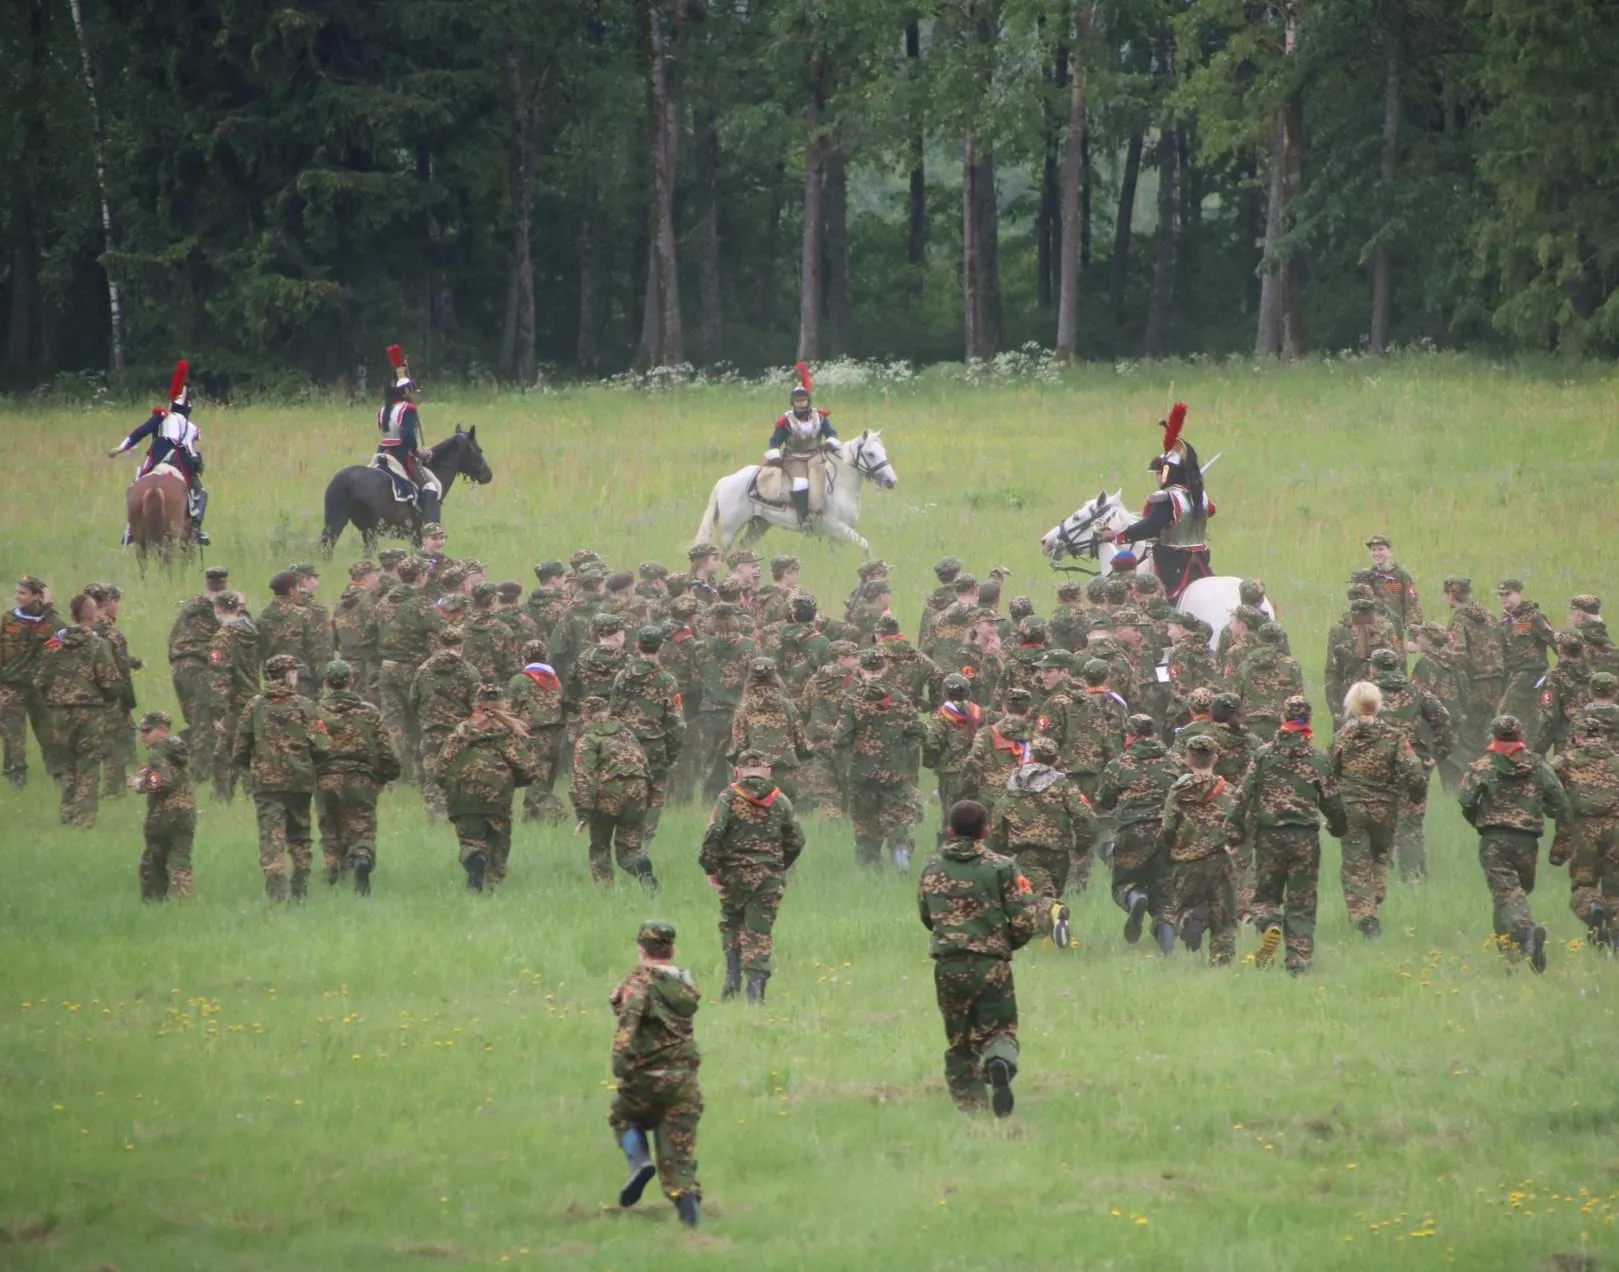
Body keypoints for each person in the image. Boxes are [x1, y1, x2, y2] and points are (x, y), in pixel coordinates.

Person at [918, 799, 1039, 1117]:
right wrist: (1005, 944)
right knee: (1000, 1029)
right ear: (985, 830)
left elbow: (927, 915)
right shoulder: (1001, 867)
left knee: (960, 1042)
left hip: (949, 965)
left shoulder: (932, 868)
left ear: (949, 830)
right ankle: (999, 1062)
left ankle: (972, 1111)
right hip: (991, 964)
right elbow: (1024, 921)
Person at [1226, 696, 1347, 973]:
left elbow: (1243, 795)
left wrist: (1233, 829)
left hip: (1269, 837)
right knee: (1302, 901)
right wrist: (1338, 827)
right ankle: (1298, 961)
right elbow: (1333, 802)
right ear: (1310, 721)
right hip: (1304, 838)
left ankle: (1270, 924)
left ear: (1283, 719)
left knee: (1266, 896)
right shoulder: (1317, 758)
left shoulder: (1264, 755)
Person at [608, 920, 703, 1227]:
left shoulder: (638, 982)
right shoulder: (683, 984)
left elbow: (630, 1022)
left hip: (646, 1077)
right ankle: (692, 1224)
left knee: (622, 1118)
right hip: (684, 1081)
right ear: (672, 949)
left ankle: (639, 1163)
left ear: (640, 949)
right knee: (679, 1157)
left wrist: (621, 1064)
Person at [1458, 715, 1568, 973]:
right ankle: (1509, 954)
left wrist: (1479, 821)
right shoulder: (1537, 765)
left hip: (1494, 839)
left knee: (1507, 894)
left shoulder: (1484, 765)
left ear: (1494, 736)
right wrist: (1546, 811)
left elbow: (1465, 800)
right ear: (1521, 735)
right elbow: (1559, 801)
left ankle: (1527, 936)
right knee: (1513, 894)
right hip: (1527, 841)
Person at [699, 749, 806, 1003]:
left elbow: (714, 833)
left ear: (738, 771)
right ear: (767, 770)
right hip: (769, 877)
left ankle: (732, 979)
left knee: (732, 922)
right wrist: (780, 865)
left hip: (733, 875)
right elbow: (797, 840)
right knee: (759, 931)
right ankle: (756, 993)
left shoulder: (727, 797)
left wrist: (711, 868)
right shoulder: (781, 800)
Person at [1329, 681, 1426, 940]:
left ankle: (1365, 916)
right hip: (1385, 809)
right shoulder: (1394, 737)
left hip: (1352, 809)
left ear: (1350, 705)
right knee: (1380, 855)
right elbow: (1415, 773)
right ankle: (1376, 893)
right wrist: (1415, 797)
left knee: (1355, 865)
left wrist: (1332, 807)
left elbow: (1328, 773)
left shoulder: (1342, 737)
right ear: (1378, 704)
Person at [986, 734, 1097, 949]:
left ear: (1031, 756)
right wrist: (1082, 846)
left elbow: (999, 816)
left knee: (1038, 898)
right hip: (1059, 851)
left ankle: (1054, 922)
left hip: (1026, 851)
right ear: (1055, 758)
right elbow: (1085, 817)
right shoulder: (1063, 784)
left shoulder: (1014, 783)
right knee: (1048, 894)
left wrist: (997, 848)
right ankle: (1054, 939)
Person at [430, 684, 537, 892]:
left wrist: (451, 787)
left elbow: (440, 768)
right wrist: (513, 782)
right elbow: (528, 769)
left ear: (477, 704)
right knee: (499, 843)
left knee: (470, 840)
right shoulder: (507, 734)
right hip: (497, 797)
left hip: (463, 796)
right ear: (503, 703)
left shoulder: (461, 731)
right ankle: (492, 888)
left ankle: (475, 859)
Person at [233, 654, 320, 901]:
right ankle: (300, 890)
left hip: (266, 784)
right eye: (294, 671)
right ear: (288, 675)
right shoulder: (305, 705)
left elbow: (239, 748)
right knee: (300, 836)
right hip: (299, 783)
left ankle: (276, 894)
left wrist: (250, 774)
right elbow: (323, 744)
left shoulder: (254, 706)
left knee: (272, 837)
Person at [1109, 402, 1215, 602]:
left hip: (1171, 560)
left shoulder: (1167, 498)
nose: (1159, 477)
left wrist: (1119, 536)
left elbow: (1151, 527)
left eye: (1161, 472)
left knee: (1147, 598)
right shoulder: (1200, 496)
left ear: (1169, 472)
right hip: (1199, 558)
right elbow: (1211, 510)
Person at [1096, 714, 1184, 949]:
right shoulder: (1175, 760)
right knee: (1166, 896)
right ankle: (1168, 953)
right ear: (1152, 733)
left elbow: (1105, 800)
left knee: (1123, 883)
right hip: (1168, 833)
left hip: (1132, 832)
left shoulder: (1120, 764)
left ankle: (1136, 897)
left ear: (1130, 735)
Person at [835, 648, 926, 871]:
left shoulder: (852, 701)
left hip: (862, 774)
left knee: (866, 828)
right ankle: (900, 856)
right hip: (894, 774)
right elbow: (918, 732)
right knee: (898, 820)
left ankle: (871, 871)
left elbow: (840, 739)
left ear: (860, 670)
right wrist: (902, 754)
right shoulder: (899, 699)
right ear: (884, 668)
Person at [313, 659, 400, 894]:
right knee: (362, 829)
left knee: (330, 829)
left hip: (325, 779)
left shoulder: (314, 713)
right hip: (360, 779)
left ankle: (332, 870)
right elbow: (385, 751)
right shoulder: (368, 712)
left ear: (327, 683)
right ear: (351, 680)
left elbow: (306, 748)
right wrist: (385, 776)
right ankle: (361, 858)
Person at [1369, 645, 1452, 883]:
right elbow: (1442, 718)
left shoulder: (1365, 692)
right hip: (1413, 762)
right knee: (1412, 823)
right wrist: (1438, 753)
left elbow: (1349, 725)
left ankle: (1378, 877)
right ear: (1397, 666)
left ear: (1373, 668)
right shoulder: (1416, 692)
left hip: (1376, 764)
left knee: (1375, 820)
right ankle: (1413, 876)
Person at [1157, 734, 1241, 963]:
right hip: (1220, 860)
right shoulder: (1228, 790)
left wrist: (1167, 853)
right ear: (1215, 758)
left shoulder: (1178, 790)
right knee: (1224, 919)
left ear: (1188, 760)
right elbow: (1239, 826)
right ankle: (1221, 963)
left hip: (1187, 862)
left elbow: (1167, 828)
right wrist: (1233, 843)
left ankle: (1191, 918)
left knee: (1184, 906)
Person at [108, 358, 209, 544]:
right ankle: (196, 529)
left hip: (159, 455)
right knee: (199, 491)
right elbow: (192, 450)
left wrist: (121, 448)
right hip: (182, 460)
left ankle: (130, 530)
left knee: (136, 483)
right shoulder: (192, 427)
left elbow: (140, 432)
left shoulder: (162, 416)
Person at [39, 593, 119, 828]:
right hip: (91, 713)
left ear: (72, 615)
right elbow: (111, 682)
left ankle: (67, 812)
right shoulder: (97, 645)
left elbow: (40, 681)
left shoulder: (54, 644)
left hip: (60, 714)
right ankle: (84, 820)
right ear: (93, 616)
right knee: (89, 765)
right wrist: (106, 699)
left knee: (68, 765)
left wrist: (55, 700)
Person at [570, 696, 658, 889]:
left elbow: (584, 777)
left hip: (608, 795)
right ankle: (641, 869)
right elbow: (644, 765)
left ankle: (605, 890)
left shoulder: (588, 739)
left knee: (600, 845)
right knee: (628, 850)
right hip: (638, 792)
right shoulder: (627, 734)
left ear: (586, 715)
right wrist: (649, 798)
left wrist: (583, 811)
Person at [609, 626, 687, 839]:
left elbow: (613, 712)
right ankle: (644, 844)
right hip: (654, 745)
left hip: (624, 744)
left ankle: (624, 839)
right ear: (660, 647)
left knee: (625, 790)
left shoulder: (622, 676)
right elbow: (675, 722)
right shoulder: (667, 680)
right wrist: (672, 754)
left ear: (637, 646)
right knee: (654, 795)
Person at [1549, 719, 1619, 948]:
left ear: (1577, 737)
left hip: (1583, 830)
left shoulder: (1565, 761)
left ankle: (1592, 909)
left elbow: (1545, 784)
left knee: (1583, 883)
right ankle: (1615, 941)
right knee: (1615, 890)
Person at [410, 625, 482, 819]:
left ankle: (436, 818)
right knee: (460, 775)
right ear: (461, 645)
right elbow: (478, 706)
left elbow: (413, 700)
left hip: (432, 731)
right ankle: (461, 814)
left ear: (439, 643)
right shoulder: (469, 670)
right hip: (459, 733)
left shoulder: (423, 669)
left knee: (433, 776)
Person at [166, 565, 229, 772]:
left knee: (193, 718)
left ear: (206, 583)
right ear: (225, 583)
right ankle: (201, 772)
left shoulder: (190, 605)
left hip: (179, 666)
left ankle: (180, 760)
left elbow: (172, 637)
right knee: (203, 722)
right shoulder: (222, 607)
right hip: (200, 666)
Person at [1, 575, 60, 787]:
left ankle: (58, 774)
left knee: (49, 733)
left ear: (38, 596)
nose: (18, 596)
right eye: (18, 592)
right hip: (10, 686)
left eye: (23, 593)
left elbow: (62, 636)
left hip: (39, 688)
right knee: (13, 736)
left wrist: (48, 608)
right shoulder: (8, 619)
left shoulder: (50, 621)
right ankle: (16, 777)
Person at [131, 711, 196, 902]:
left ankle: (153, 904)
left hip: (164, 815)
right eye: (141, 731)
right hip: (187, 813)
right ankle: (182, 903)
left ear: (162, 730)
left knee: (152, 862)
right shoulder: (178, 750)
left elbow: (162, 781)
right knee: (180, 860)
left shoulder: (159, 749)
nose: (142, 735)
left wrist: (139, 783)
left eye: (147, 731)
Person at [764, 363, 839, 525]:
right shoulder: (786, 421)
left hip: (816, 456)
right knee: (801, 482)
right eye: (797, 401)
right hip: (794, 458)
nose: (801, 404)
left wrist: (831, 442)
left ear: (808, 401)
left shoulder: (819, 417)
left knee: (827, 477)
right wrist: (774, 454)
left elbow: (831, 433)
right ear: (793, 403)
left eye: (803, 400)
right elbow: (774, 441)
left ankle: (829, 510)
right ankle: (803, 518)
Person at [728, 658, 810, 801]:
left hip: (755, 772)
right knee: (784, 817)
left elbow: (739, 745)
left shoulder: (744, 708)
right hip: (785, 770)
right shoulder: (788, 705)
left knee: (757, 817)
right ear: (774, 676)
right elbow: (800, 740)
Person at [206, 591, 260, 801]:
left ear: (217, 610)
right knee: (249, 747)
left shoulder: (222, 638)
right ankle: (248, 794)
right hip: (252, 697)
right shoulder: (252, 631)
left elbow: (220, 676)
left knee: (224, 753)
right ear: (238, 608)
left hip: (234, 703)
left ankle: (223, 797)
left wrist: (218, 711)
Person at [373, 344, 440, 509]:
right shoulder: (408, 409)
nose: (414, 394)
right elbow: (409, 437)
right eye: (411, 390)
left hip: (381, 452)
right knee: (430, 488)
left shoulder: (383, 410)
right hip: (401, 455)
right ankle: (432, 528)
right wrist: (418, 453)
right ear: (405, 392)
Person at [508, 639, 567, 823]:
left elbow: (511, 710)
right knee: (545, 782)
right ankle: (531, 820)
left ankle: (559, 814)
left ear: (524, 658)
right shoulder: (557, 681)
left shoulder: (520, 681)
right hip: (556, 736)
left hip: (532, 737)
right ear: (546, 657)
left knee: (536, 784)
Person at [922, 674, 987, 823]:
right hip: (975, 769)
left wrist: (931, 763)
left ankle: (951, 843)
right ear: (967, 692)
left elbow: (932, 744)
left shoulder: (941, 715)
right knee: (975, 813)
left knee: (952, 815)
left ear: (945, 693)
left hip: (950, 773)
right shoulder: (979, 712)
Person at [1495, 579, 1556, 722]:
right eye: (1501, 594)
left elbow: (1554, 641)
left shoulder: (1533, 617)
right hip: (1510, 674)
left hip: (1532, 673)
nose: (1503, 598)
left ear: (1519, 594)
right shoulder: (1504, 620)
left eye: (1507, 594)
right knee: (1523, 715)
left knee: (1508, 711)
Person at [1357, 536, 1422, 645]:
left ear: (1389, 552)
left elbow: (1412, 607)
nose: (1376, 553)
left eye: (1381, 549)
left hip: (1395, 634)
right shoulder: (1367, 577)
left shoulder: (1401, 576)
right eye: (1373, 550)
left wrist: (1413, 638)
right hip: (1372, 636)